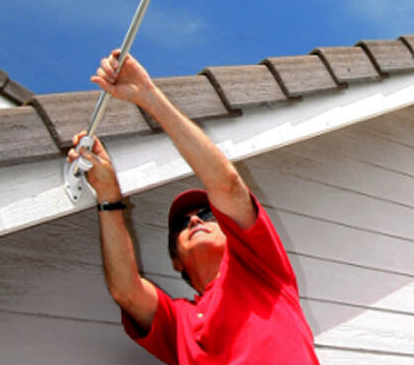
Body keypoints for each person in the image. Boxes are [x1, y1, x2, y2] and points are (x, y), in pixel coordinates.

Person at [68, 49, 320, 365]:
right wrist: (107, 193)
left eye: (206, 214)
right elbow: (126, 292)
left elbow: (226, 183)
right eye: (181, 225)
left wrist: (149, 95)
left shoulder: (261, 270)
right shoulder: (178, 322)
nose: (193, 222)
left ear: (232, 236)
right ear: (176, 261)